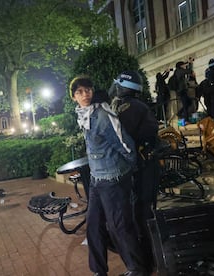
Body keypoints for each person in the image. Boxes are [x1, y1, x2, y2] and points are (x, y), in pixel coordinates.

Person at [70, 75, 148, 276]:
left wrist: (127, 171)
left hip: (113, 178)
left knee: (118, 227)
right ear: (73, 97)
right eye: (79, 92)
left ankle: (136, 269)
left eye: (88, 89)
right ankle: (98, 271)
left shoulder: (103, 115)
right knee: (93, 226)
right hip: (97, 179)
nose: (85, 94)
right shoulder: (84, 115)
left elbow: (126, 146)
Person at [109, 70, 159, 274]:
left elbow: (123, 140)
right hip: (144, 168)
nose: (113, 88)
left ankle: (148, 262)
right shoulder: (133, 106)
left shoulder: (128, 108)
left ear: (123, 86)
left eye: (116, 85)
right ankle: (149, 261)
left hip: (143, 169)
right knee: (142, 214)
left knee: (142, 215)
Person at [168, 57, 195, 122]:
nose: (184, 66)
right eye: (183, 65)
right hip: (181, 91)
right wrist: (190, 63)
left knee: (188, 103)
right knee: (186, 104)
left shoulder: (178, 71)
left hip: (182, 90)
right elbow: (189, 71)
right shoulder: (179, 71)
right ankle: (186, 119)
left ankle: (180, 114)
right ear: (180, 66)